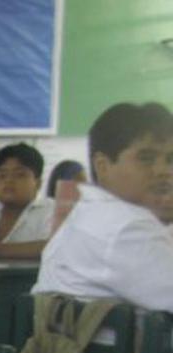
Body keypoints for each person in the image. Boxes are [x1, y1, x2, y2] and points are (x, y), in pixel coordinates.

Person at [33, 102, 173, 311]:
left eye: (170, 159)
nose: (164, 170)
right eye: (146, 158)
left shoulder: (95, 215)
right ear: (103, 166)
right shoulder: (124, 228)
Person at [0, 143, 53, 259]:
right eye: (1, 175)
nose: (9, 181)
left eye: (20, 175)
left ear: (38, 183)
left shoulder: (50, 210)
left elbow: (53, 247)